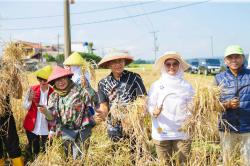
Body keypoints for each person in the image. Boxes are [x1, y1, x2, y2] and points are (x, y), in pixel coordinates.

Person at [95, 50, 147, 163]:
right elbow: (104, 106)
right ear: (109, 65)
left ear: (124, 62)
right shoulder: (103, 83)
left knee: (137, 155)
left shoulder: (134, 78)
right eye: (114, 62)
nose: (118, 64)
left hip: (133, 124)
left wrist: (133, 118)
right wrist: (101, 114)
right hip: (113, 125)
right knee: (117, 155)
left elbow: (142, 101)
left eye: (120, 61)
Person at [147, 51, 194, 165]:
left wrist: (190, 118)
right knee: (164, 163)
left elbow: (192, 106)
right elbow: (150, 104)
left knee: (182, 163)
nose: (171, 67)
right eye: (168, 64)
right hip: (161, 132)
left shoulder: (186, 86)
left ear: (179, 66)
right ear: (164, 66)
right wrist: (154, 111)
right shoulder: (157, 85)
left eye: (175, 64)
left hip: (182, 133)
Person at [45, 66, 94, 160]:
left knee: (79, 159)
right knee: (68, 157)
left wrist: (87, 86)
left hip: (82, 129)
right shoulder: (53, 96)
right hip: (65, 130)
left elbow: (92, 99)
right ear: (54, 83)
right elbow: (53, 117)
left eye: (63, 78)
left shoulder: (79, 89)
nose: (61, 82)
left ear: (68, 78)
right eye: (57, 80)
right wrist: (45, 113)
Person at [215, 45, 250, 165]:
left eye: (237, 57)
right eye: (230, 57)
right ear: (225, 61)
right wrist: (228, 104)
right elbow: (213, 106)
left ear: (243, 58)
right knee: (228, 161)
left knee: (247, 161)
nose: (234, 60)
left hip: (248, 128)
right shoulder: (219, 79)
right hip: (227, 129)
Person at [22, 65, 53, 160]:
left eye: (45, 80)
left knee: (46, 149)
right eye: (40, 79)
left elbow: (54, 112)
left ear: (49, 80)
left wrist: (46, 110)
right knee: (33, 148)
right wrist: (30, 100)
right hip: (32, 125)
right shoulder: (32, 89)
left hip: (46, 126)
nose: (42, 82)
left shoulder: (53, 92)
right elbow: (25, 107)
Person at [0, 51, 24, 165]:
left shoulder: (5, 76)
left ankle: (18, 163)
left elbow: (18, 95)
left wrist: (15, 77)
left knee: (12, 143)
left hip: (6, 116)